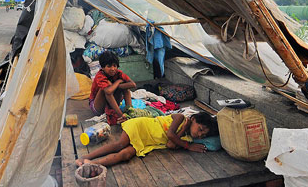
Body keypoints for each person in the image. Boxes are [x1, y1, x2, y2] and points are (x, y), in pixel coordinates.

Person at [75, 111, 217, 168]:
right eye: (200, 129)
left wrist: (185, 135)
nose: (199, 135)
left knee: (125, 155)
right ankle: (85, 156)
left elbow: (170, 144)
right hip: (142, 126)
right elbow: (170, 135)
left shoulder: (186, 136)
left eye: (203, 135)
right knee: (119, 145)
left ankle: (91, 164)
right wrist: (187, 146)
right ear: (193, 119)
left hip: (147, 142)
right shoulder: (180, 118)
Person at [89, 51, 136, 124]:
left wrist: (117, 86)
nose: (113, 69)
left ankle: (130, 111)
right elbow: (108, 91)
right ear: (103, 67)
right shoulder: (100, 76)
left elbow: (133, 84)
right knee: (106, 89)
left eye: (114, 66)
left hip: (111, 103)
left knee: (125, 87)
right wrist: (117, 82)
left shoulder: (118, 73)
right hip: (97, 106)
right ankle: (121, 115)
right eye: (109, 66)